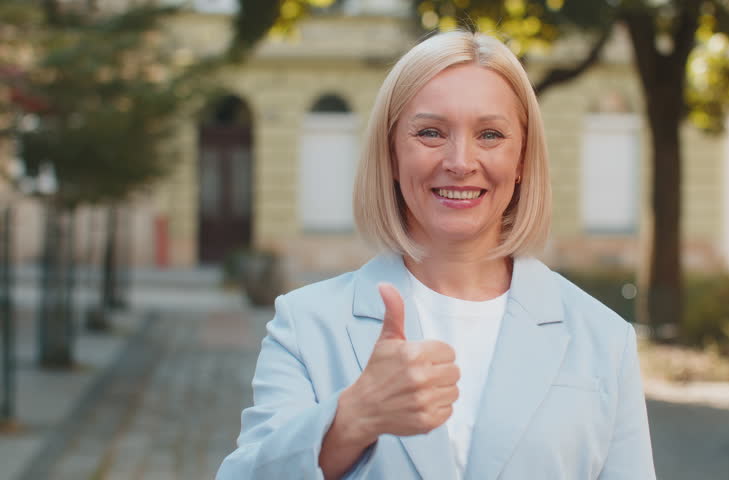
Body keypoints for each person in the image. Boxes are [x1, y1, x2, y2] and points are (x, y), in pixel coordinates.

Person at [216, 30, 655, 480]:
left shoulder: (604, 339)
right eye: (430, 132)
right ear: (390, 153)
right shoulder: (307, 324)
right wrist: (351, 420)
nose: (460, 161)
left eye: (489, 134)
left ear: (522, 157)